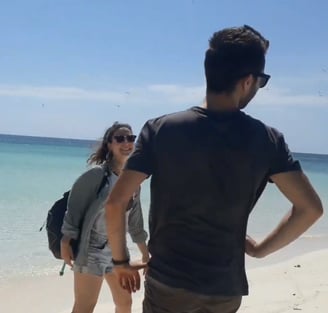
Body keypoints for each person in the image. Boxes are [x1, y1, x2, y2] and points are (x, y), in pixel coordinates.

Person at [105, 25, 323, 313]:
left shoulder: (161, 129)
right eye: (262, 81)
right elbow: (310, 209)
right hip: (224, 288)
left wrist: (120, 263)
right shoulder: (267, 140)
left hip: (168, 282)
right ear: (247, 81)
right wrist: (260, 250)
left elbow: (116, 203)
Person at [60, 122, 149, 313]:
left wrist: (144, 253)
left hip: (117, 252)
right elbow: (73, 209)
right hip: (90, 250)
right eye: (120, 138)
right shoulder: (97, 175)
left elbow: (135, 224)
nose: (126, 143)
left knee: (125, 304)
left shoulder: (132, 181)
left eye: (130, 138)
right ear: (109, 144)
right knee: (85, 306)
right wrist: (66, 241)